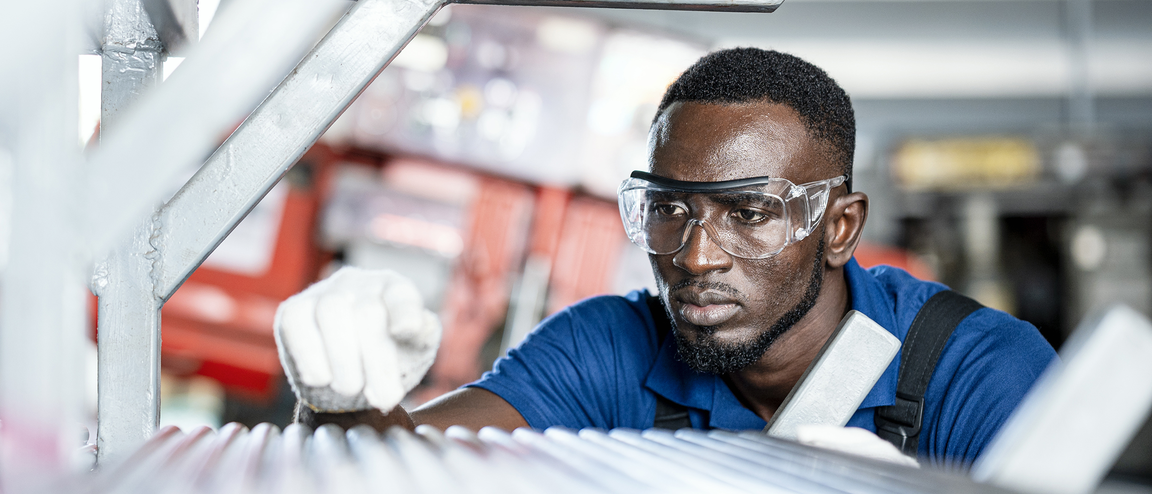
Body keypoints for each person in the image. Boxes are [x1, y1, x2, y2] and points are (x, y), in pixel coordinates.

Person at [273, 48, 1056, 466]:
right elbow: (393, 471)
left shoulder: (977, 371)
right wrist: (346, 394)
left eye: (750, 213)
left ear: (841, 227)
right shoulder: (606, 349)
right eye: (667, 210)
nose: (695, 255)